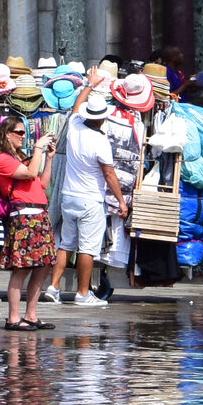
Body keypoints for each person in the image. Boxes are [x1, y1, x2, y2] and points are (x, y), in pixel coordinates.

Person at [56, 88, 126, 306]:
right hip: (90, 199)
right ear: (103, 117)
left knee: (66, 244)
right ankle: (83, 293)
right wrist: (121, 201)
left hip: (69, 195)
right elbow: (109, 174)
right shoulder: (100, 141)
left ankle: (53, 287)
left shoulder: (75, 125)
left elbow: (76, 106)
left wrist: (89, 84)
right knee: (87, 248)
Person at [0, 113, 56, 330]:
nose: (22, 136)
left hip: (38, 214)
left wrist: (48, 158)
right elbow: (29, 174)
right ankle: (13, 317)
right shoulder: (2, 159)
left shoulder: (20, 157)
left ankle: (31, 314)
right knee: (21, 268)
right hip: (23, 217)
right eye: (18, 132)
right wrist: (38, 148)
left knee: (43, 266)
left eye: (23, 132)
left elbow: (42, 183)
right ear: (6, 135)